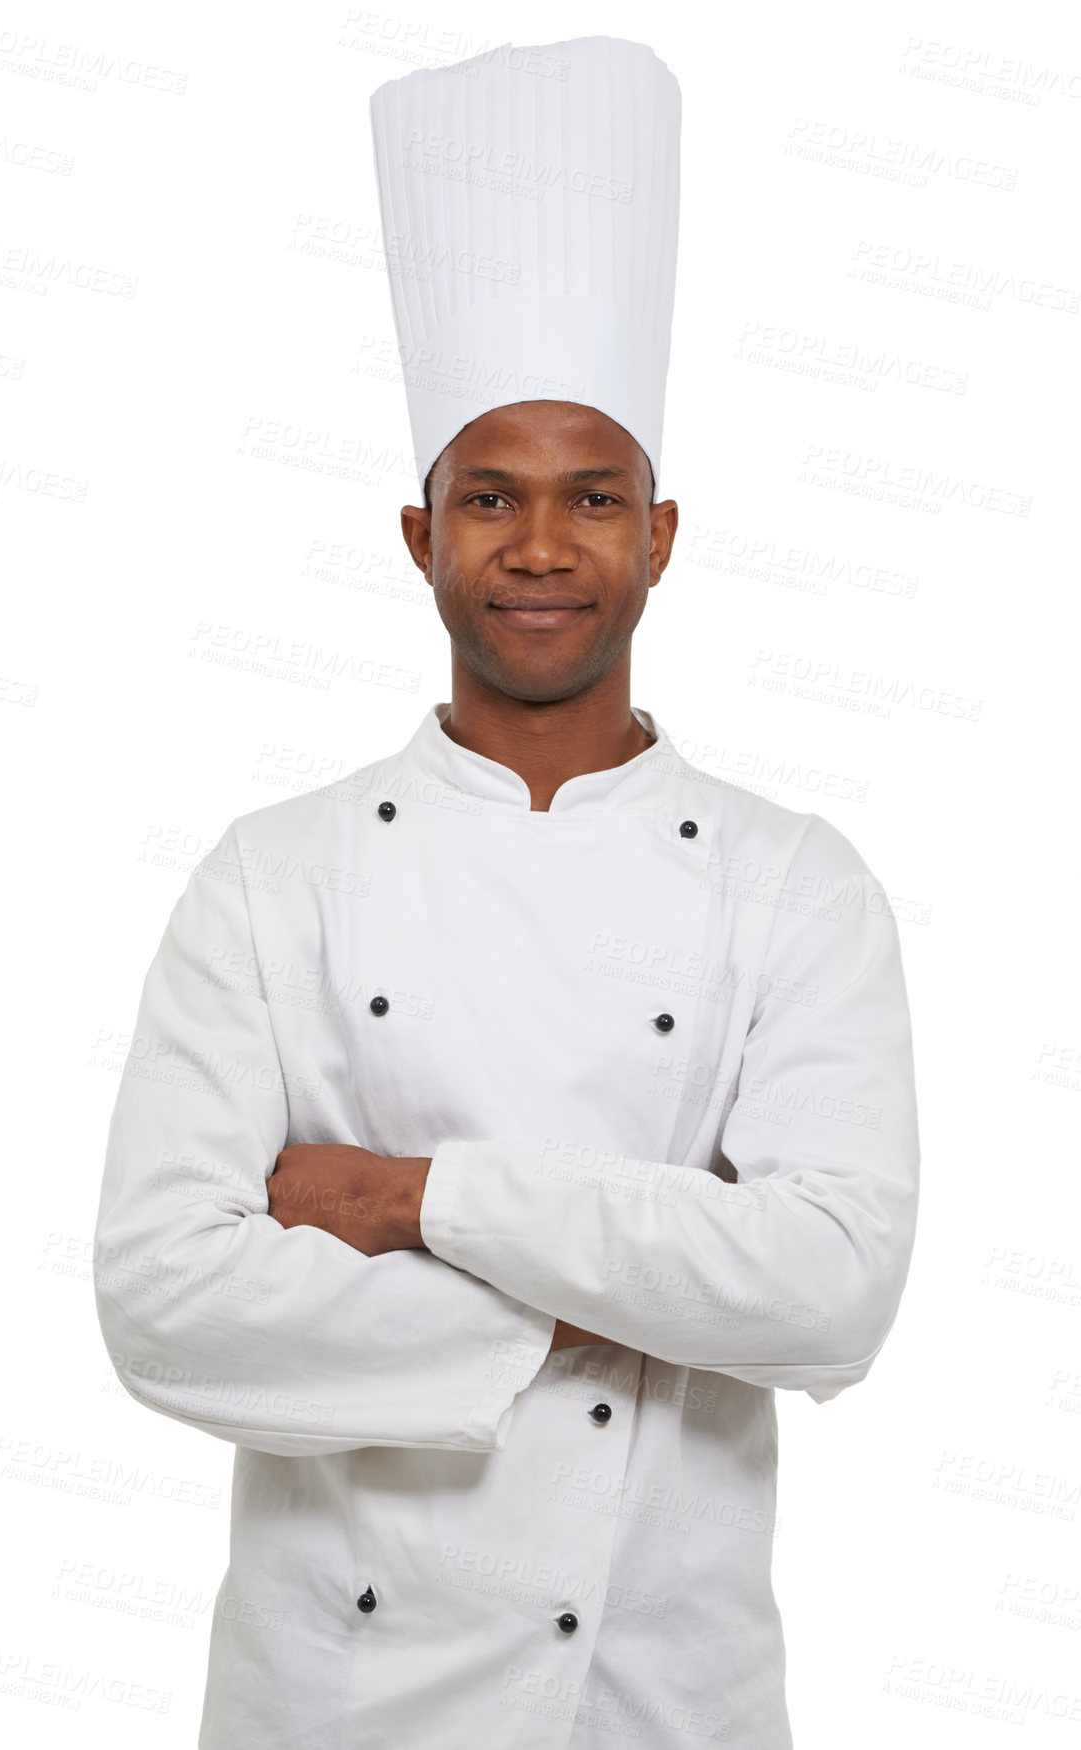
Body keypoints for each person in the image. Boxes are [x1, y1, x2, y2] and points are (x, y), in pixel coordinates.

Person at [93, 36, 920, 1749]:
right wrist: (640, 1285)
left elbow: (829, 1288)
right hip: (328, 1703)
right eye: (491, 495)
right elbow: (164, 1306)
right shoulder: (275, 877)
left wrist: (411, 1198)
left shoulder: (794, 888)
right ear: (420, 535)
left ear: (660, 535)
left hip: (658, 1701)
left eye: (589, 498)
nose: (539, 546)